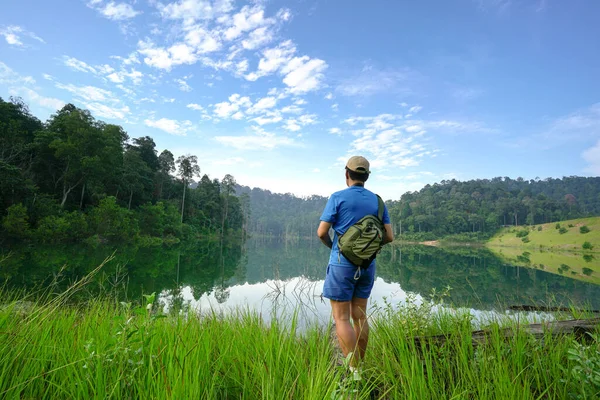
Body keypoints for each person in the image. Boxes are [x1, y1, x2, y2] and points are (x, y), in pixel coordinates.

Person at [317, 155, 394, 377]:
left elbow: (322, 232)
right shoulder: (378, 201)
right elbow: (389, 236)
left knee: (341, 319)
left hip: (341, 264)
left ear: (346, 174)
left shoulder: (338, 197)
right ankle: (361, 364)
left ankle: (353, 371)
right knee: (360, 316)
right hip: (367, 265)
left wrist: (335, 247)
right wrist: (367, 249)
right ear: (366, 177)